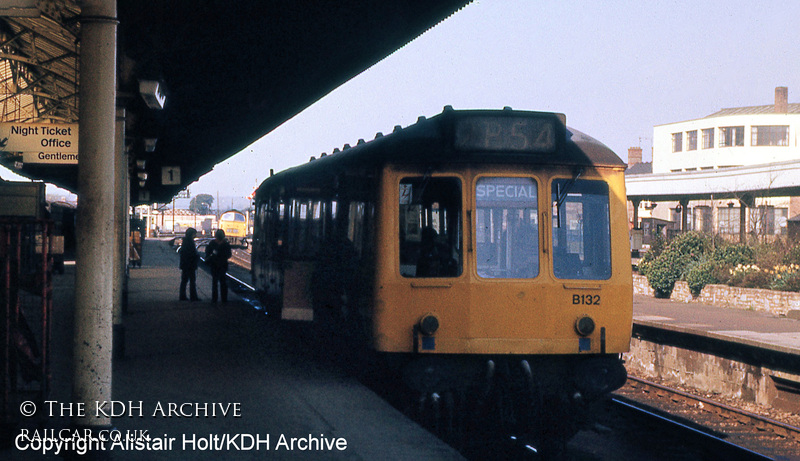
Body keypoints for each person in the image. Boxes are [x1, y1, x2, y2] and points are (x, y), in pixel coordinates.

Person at [205, 229, 232, 302]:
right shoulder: (226, 244)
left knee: (214, 282)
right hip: (223, 265)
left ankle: (214, 298)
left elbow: (207, 252)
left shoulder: (212, 243)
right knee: (223, 282)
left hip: (214, 265)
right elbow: (229, 255)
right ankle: (224, 298)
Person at [179, 227, 200, 301]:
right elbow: (191, 254)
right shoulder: (190, 242)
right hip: (190, 265)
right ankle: (193, 296)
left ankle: (182, 296)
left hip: (185, 265)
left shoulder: (185, 242)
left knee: (184, 281)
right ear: (191, 234)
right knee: (191, 281)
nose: (195, 235)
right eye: (194, 234)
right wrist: (196, 256)